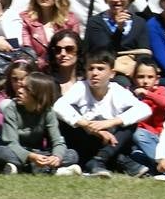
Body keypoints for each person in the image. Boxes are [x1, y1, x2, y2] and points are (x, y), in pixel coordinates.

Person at [53, 49, 152, 177]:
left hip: (110, 140)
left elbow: (145, 109)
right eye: (91, 68)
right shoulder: (80, 87)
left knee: (130, 121)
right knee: (70, 115)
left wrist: (111, 122)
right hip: (86, 140)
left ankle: (100, 159)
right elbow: (58, 106)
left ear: (111, 73)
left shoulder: (117, 90)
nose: (94, 73)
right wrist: (89, 126)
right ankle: (120, 160)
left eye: (100, 69)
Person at [0, 71, 77, 175]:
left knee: (72, 154)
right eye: (20, 87)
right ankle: (49, 170)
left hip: (38, 152)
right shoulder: (11, 108)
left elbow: (58, 141)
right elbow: (11, 143)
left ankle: (21, 168)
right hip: (18, 152)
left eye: (26, 89)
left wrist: (56, 157)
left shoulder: (48, 112)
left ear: (38, 95)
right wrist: (31, 157)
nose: (19, 91)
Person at [83, 0, 150, 78]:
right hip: (103, 72)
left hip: (133, 72)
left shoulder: (139, 23)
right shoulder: (96, 22)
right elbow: (103, 51)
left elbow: (144, 52)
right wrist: (119, 29)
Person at [19, 0, 80, 70]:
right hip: (36, 74)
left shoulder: (70, 21)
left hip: (63, 72)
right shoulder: (26, 19)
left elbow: (74, 52)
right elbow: (27, 52)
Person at [123, 57, 165, 176]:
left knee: (138, 134)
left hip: (158, 139)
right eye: (141, 77)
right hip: (138, 143)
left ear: (157, 80)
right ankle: (153, 167)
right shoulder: (129, 94)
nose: (145, 81)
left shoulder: (161, 91)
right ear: (134, 79)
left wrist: (149, 95)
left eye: (150, 77)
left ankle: (162, 165)